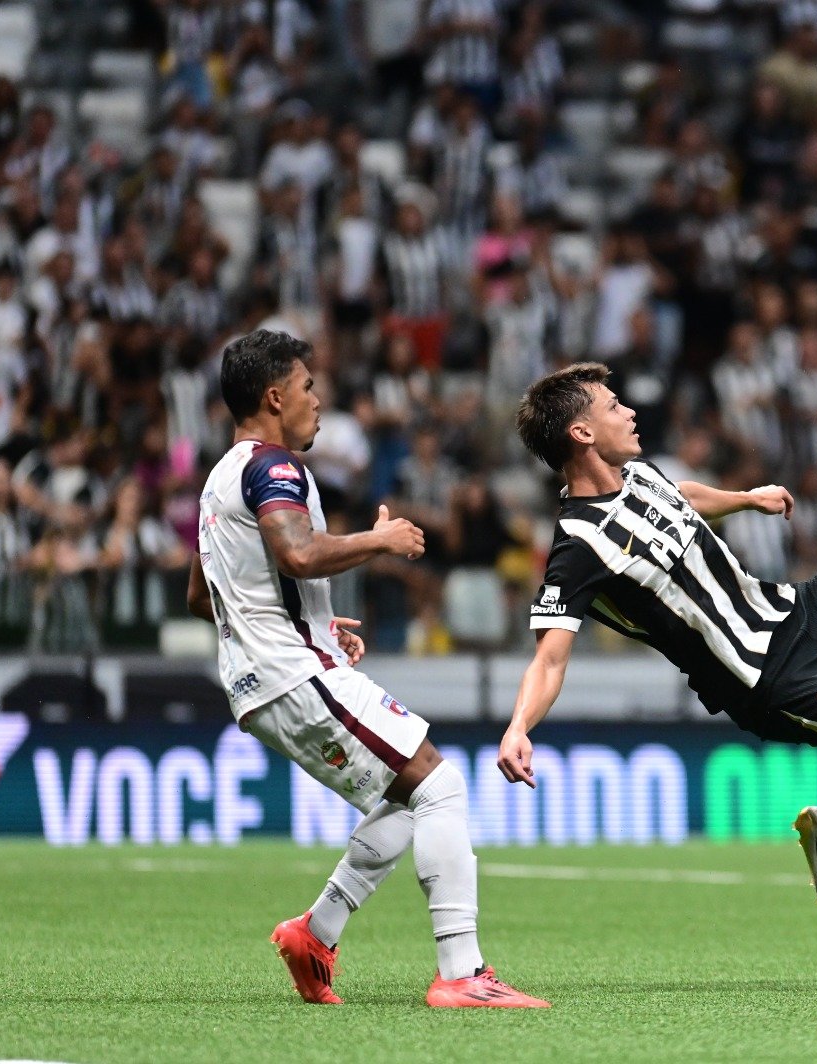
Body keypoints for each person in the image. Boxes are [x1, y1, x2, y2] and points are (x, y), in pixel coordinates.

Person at [498, 362, 817, 925]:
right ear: (581, 433)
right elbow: (549, 659)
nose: (628, 411)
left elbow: (682, 497)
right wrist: (518, 727)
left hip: (796, 608)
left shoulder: (639, 474)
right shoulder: (577, 547)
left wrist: (746, 499)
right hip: (766, 677)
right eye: (612, 406)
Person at [187, 329, 547, 1009]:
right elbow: (297, 554)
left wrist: (314, 625)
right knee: (439, 786)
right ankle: (462, 974)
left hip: (262, 680)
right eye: (307, 386)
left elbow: (203, 595)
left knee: (409, 799)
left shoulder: (217, 481)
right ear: (275, 396)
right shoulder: (273, 466)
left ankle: (315, 934)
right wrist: (379, 540)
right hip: (292, 673)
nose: (317, 400)